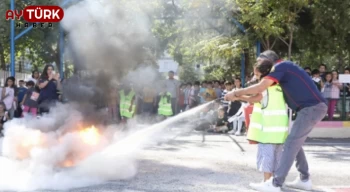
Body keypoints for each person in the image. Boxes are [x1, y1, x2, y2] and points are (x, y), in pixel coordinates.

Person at [225, 50, 327, 192]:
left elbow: (261, 87)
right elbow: (261, 93)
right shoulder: (285, 68)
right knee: (294, 143)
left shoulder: (280, 67)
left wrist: (236, 93)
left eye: (260, 62)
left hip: (311, 108)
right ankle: (304, 179)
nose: (259, 67)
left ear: (269, 61)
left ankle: (275, 184)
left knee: (291, 143)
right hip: (311, 108)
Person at [235, 60, 289, 187]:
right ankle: (276, 183)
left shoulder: (265, 86)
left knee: (267, 157)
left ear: (260, 72)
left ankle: (267, 183)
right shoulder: (279, 86)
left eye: (256, 72)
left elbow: (256, 98)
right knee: (278, 158)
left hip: (268, 130)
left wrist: (237, 96)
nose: (255, 75)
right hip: (280, 130)